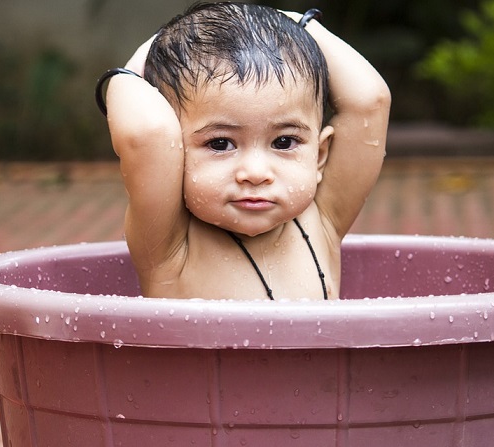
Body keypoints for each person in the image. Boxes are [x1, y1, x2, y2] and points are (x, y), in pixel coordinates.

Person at [97, 2, 390, 301]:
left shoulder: (322, 220)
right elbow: (148, 134)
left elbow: (371, 101)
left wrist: (297, 23)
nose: (255, 173)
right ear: (177, 157)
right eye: (220, 143)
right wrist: (132, 69)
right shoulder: (169, 244)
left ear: (319, 156)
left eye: (284, 142)